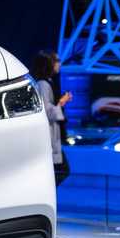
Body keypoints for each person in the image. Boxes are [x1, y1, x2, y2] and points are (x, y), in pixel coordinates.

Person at [32, 50, 72, 185]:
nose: (59, 64)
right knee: (62, 171)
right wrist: (62, 102)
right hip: (49, 137)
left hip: (53, 137)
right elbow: (47, 111)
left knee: (61, 171)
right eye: (57, 61)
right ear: (49, 63)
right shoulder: (43, 84)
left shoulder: (48, 82)